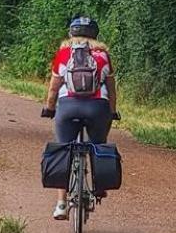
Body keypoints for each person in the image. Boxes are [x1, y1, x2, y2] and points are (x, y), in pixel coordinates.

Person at [40, 15, 119, 220]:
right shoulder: (103, 55)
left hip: (68, 108)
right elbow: (111, 89)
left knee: (64, 150)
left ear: (71, 33)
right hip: (97, 108)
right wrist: (112, 111)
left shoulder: (64, 54)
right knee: (98, 144)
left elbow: (53, 88)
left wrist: (49, 108)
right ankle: (100, 184)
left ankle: (61, 205)